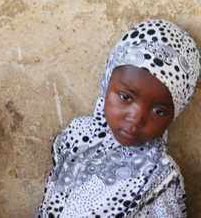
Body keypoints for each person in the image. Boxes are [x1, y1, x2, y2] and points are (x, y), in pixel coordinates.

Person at [34, 19, 200, 217]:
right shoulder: (77, 136)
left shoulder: (159, 177)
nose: (136, 119)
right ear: (106, 84)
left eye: (158, 111)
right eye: (125, 97)